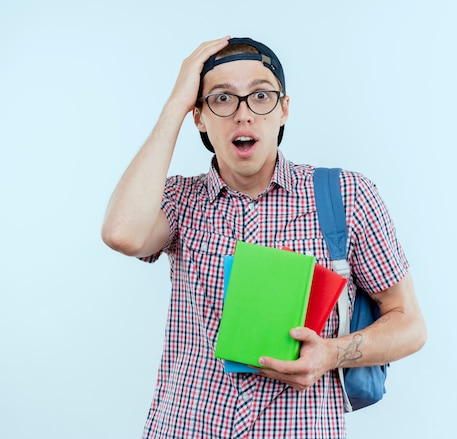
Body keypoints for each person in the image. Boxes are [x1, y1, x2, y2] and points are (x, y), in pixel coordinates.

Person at [102, 36, 427, 438]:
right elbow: (121, 233)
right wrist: (174, 104)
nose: (243, 115)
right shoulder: (178, 199)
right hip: (185, 427)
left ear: (284, 108)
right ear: (199, 117)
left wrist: (330, 355)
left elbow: (410, 323)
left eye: (260, 96)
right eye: (222, 99)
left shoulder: (346, 196)